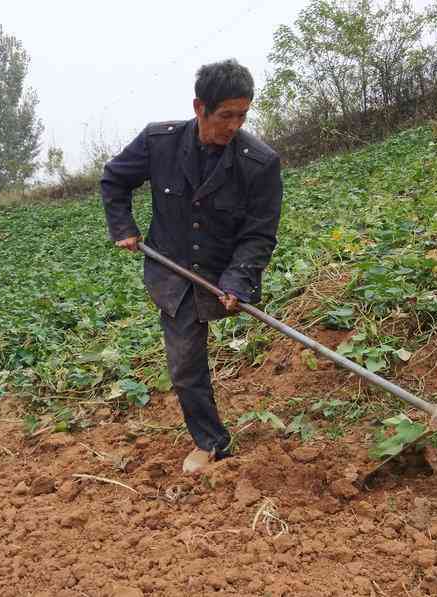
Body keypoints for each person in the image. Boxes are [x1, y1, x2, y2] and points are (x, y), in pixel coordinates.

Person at [100, 59, 283, 474]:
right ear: (200, 107)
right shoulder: (158, 141)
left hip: (223, 271)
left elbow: (258, 234)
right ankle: (212, 442)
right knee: (185, 364)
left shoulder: (260, 163)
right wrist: (124, 227)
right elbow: (114, 179)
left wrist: (238, 280)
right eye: (225, 116)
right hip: (174, 272)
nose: (234, 125)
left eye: (242, 116)